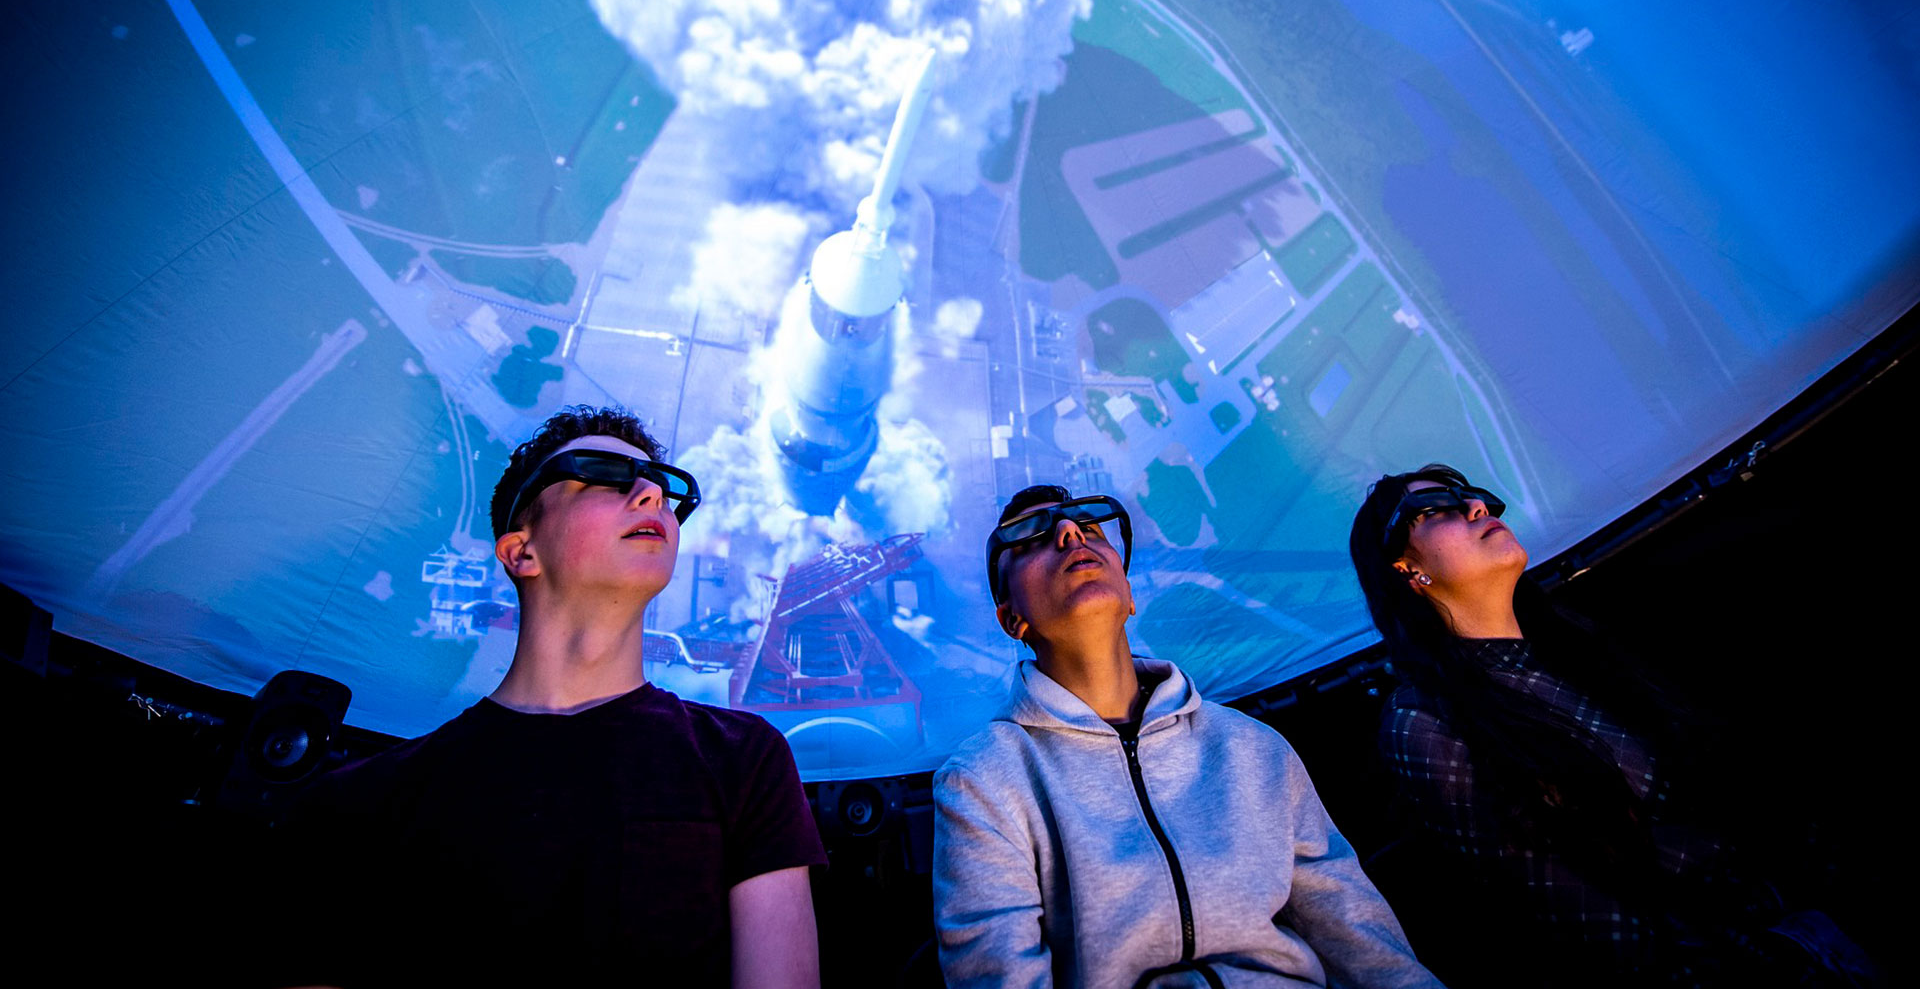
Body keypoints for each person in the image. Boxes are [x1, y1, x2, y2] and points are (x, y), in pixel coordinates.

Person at [276, 406, 825, 987]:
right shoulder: (354, 806)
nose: (650, 496)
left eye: (661, 485)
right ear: (520, 552)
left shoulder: (747, 762)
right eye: (601, 474)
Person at [1349, 464, 1874, 987]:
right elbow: (1573, 917)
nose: (1479, 507)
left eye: (1475, 495)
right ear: (1404, 568)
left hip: (1815, 922)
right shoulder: (1421, 720)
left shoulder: (1576, 645)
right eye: (1436, 507)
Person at [932, 484, 1443, 989]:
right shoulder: (984, 779)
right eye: (1031, 539)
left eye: (1089, 527)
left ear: (1129, 595)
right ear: (1011, 619)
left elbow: (1361, 939)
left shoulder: (1253, 748)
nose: (1069, 532)